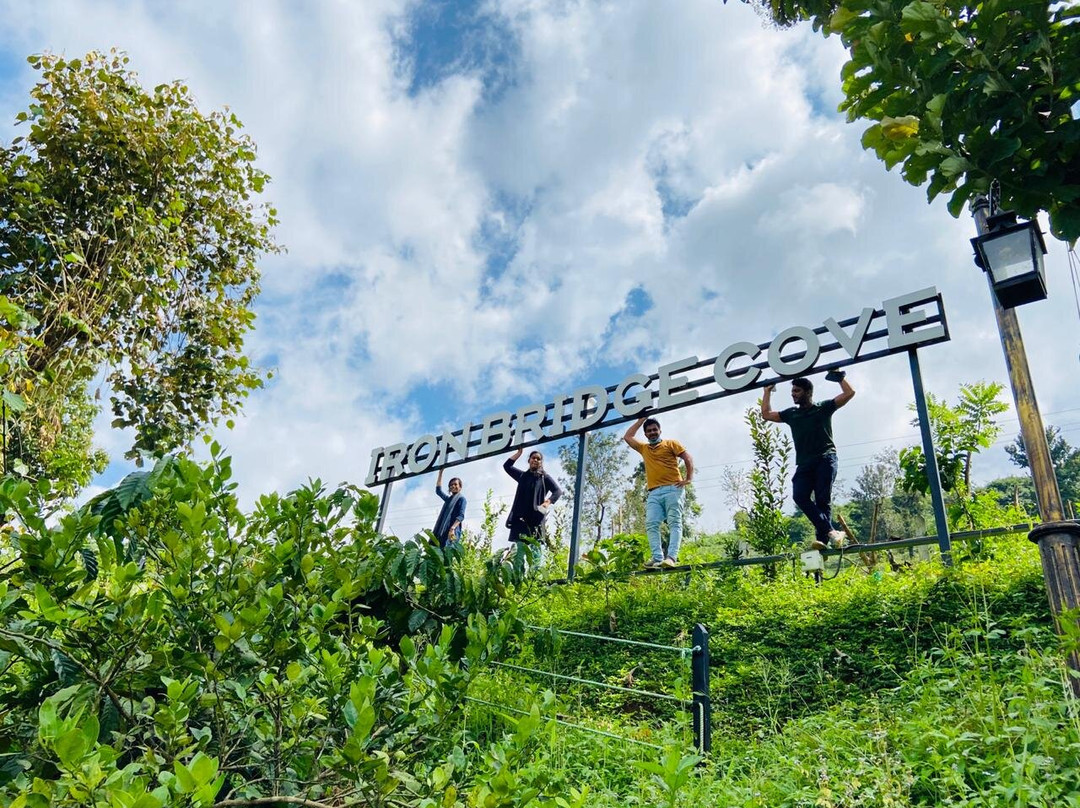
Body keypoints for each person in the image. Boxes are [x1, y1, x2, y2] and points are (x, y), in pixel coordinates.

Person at [761, 372, 855, 551]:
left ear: (808, 392)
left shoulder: (823, 407)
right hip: (804, 463)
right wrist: (767, 392)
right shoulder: (791, 414)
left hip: (825, 458)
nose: (793, 394)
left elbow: (849, 394)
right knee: (799, 495)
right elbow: (766, 414)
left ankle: (823, 543)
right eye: (792, 391)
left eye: (797, 391)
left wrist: (840, 378)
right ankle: (831, 532)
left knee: (822, 499)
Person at [623, 415, 694, 569]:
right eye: (649, 431)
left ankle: (671, 558)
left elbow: (687, 457)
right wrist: (641, 420)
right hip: (654, 492)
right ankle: (657, 558)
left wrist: (688, 479)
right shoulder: (644, 448)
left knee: (674, 522)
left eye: (655, 429)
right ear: (646, 434)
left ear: (660, 430)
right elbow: (628, 437)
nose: (653, 432)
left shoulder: (671, 444)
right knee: (651, 524)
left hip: (673, 488)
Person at [503, 447, 561, 567]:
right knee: (518, 553)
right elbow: (507, 466)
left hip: (536, 520)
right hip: (520, 520)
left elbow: (557, 491)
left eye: (538, 459)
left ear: (541, 462)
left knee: (535, 552)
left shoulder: (544, 478)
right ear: (529, 460)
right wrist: (519, 453)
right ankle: (517, 579)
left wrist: (548, 502)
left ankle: (533, 580)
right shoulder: (522, 476)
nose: (535, 460)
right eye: (533, 458)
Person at [433, 468, 466, 548]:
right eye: (451, 485)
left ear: (460, 487)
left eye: (455, 484)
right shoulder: (448, 500)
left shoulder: (461, 499)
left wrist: (452, 529)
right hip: (441, 531)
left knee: (447, 553)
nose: (453, 486)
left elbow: (461, 516)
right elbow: (438, 491)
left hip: (451, 532)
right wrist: (440, 472)